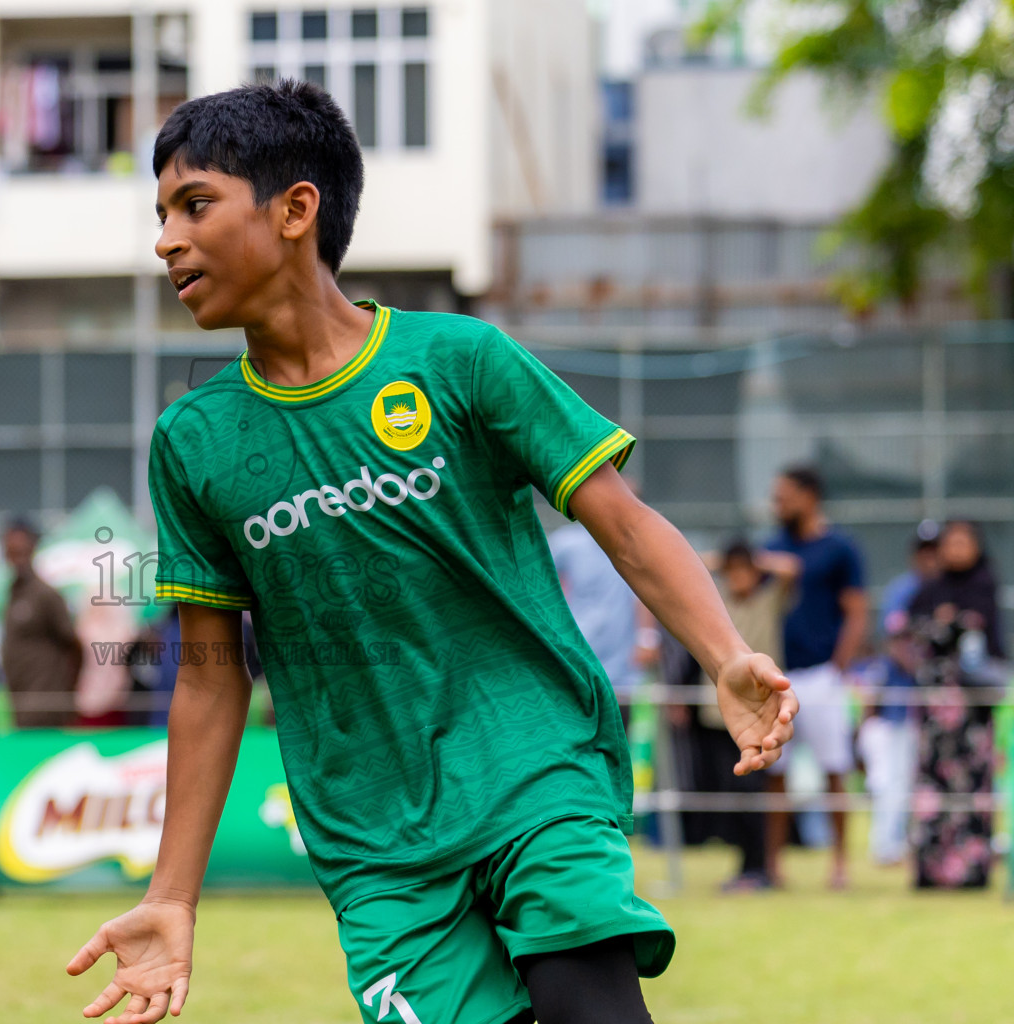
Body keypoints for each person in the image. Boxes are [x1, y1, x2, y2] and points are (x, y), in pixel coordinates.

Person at [66, 82, 796, 1024]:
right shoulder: (194, 443)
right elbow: (210, 676)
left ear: (295, 209)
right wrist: (172, 895)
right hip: (375, 845)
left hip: (532, 764)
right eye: (160, 214)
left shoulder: (458, 361)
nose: (166, 238)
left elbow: (620, 520)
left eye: (194, 205)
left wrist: (725, 654)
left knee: (592, 1010)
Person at [764, 465, 868, 890]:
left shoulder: (840, 548)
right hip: (778, 675)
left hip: (822, 675)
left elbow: (856, 612)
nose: (778, 505)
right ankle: (771, 865)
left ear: (810, 496)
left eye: (784, 496)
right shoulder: (772, 547)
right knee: (774, 772)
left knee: (834, 770)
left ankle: (840, 864)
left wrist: (839, 668)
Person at [906, 520, 1004, 889]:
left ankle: (971, 870)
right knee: (933, 786)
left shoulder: (984, 585)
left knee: (971, 785)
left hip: (973, 711)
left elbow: (978, 633)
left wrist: (947, 625)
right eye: (952, 542)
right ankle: (931, 871)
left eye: (965, 542)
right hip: (934, 711)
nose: (957, 549)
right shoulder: (929, 589)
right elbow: (907, 630)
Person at [701, 541, 800, 890]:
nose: (740, 577)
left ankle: (759, 868)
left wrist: (752, 559)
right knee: (733, 792)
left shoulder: (768, 599)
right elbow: (690, 568)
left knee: (753, 792)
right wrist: (725, 559)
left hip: (760, 710)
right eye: (734, 571)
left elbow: (791, 567)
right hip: (718, 713)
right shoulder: (719, 606)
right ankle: (749, 867)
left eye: (746, 570)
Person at [858, 528, 939, 865]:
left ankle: (915, 843)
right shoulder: (902, 590)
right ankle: (888, 846)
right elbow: (893, 642)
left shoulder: (946, 588)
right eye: (925, 551)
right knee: (894, 778)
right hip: (901, 705)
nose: (930, 559)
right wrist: (927, 667)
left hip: (936, 707)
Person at [550, 520, 642, 728]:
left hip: (623, 663)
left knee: (620, 729)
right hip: (579, 655)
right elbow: (538, 578)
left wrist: (647, 637)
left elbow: (643, 595)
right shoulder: (566, 542)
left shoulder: (634, 541)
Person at [0, 519, 82, 729]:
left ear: (33, 549)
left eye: (21, 551)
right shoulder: (12, 593)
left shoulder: (46, 595)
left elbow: (73, 643)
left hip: (44, 700)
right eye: (11, 552)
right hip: (18, 696)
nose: (16, 559)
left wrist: (67, 691)